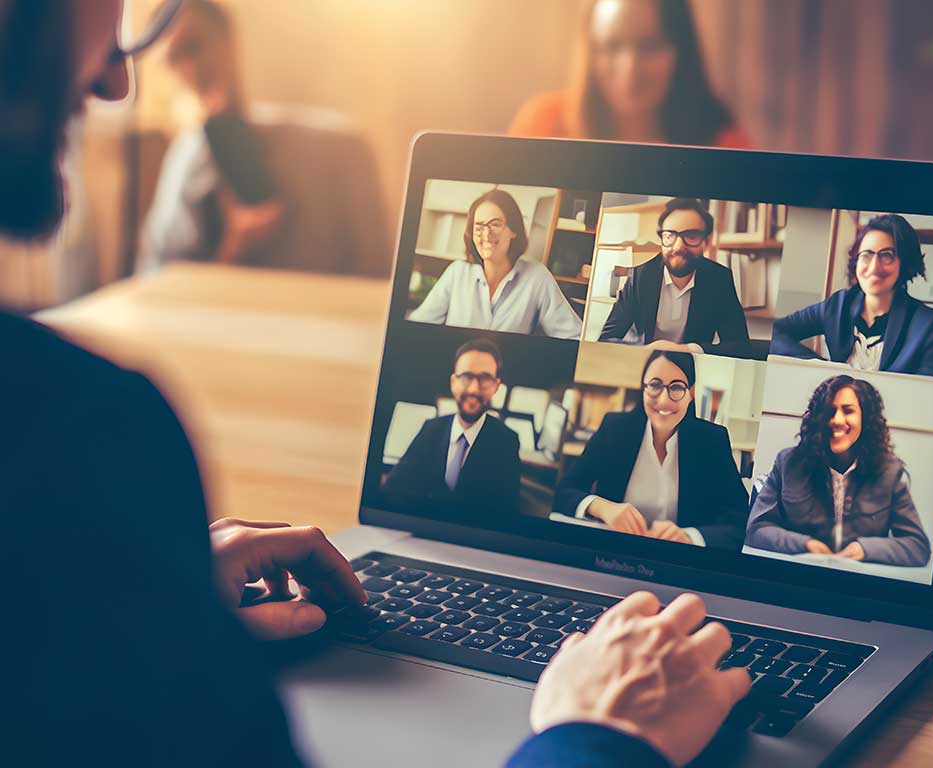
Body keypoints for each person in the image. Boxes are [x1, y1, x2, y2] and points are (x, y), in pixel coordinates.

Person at [1, 2, 748, 765]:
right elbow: (567, 459)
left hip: (699, 594)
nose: (119, 79)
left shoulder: (66, 475)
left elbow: (735, 515)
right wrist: (596, 741)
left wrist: (157, 600)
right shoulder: (82, 447)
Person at [137, 0, 287, 272]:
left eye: (195, 46)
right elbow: (155, 272)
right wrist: (235, 250)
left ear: (228, 40)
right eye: (174, 59)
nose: (191, 69)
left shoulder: (322, 150)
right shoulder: (183, 158)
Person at [554, 351, 749, 549]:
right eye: (655, 385)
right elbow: (564, 491)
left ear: (690, 393)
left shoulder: (712, 440)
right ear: (643, 388)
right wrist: (602, 507)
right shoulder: (615, 428)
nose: (663, 400)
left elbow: (741, 520)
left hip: (677, 560)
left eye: (677, 387)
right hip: (612, 550)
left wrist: (690, 537)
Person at [509, 0, 749, 148]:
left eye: (650, 45)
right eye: (611, 46)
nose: (630, 69)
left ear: (682, 51)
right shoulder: (543, 122)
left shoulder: (721, 137)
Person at [745, 375, 931, 567]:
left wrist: (865, 549)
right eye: (830, 411)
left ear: (865, 418)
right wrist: (806, 544)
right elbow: (756, 529)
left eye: (848, 410)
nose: (837, 420)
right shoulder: (788, 463)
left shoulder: (890, 471)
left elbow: (917, 546)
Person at [771, 214, 933, 378]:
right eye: (866, 255)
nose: (874, 267)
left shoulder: (928, 323)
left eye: (886, 255)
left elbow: (931, 390)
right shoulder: (838, 305)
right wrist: (823, 368)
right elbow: (777, 332)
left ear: (904, 262)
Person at [408, 189, 583, 339]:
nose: (486, 233)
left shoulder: (537, 278)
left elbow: (573, 336)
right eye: (479, 226)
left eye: (495, 224)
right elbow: (417, 326)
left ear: (513, 230)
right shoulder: (457, 273)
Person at [382, 338, 522, 518]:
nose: (474, 389)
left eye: (485, 379)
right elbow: (392, 492)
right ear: (453, 382)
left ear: (496, 386)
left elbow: (505, 515)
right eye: (466, 377)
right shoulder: (431, 429)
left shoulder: (506, 442)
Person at [599, 197, 754, 358]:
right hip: (644, 365)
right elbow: (605, 340)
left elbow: (740, 348)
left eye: (691, 236)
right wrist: (647, 349)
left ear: (706, 242)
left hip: (690, 367)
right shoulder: (640, 275)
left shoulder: (719, 279)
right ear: (661, 239)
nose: (678, 246)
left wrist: (690, 349)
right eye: (669, 236)